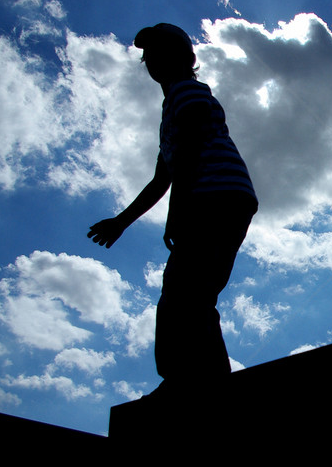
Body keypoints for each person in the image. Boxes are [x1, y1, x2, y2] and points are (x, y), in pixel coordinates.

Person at [87, 23, 258, 396]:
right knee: (190, 293)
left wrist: (179, 210)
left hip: (216, 199)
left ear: (185, 59)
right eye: (149, 56)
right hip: (221, 199)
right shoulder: (170, 114)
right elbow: (160, 179)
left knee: (184, 292)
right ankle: (200, 380)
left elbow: (193, 146)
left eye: (161, 54)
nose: (151, 62)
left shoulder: (188, 92)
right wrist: (121, 222)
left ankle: (186, 380)